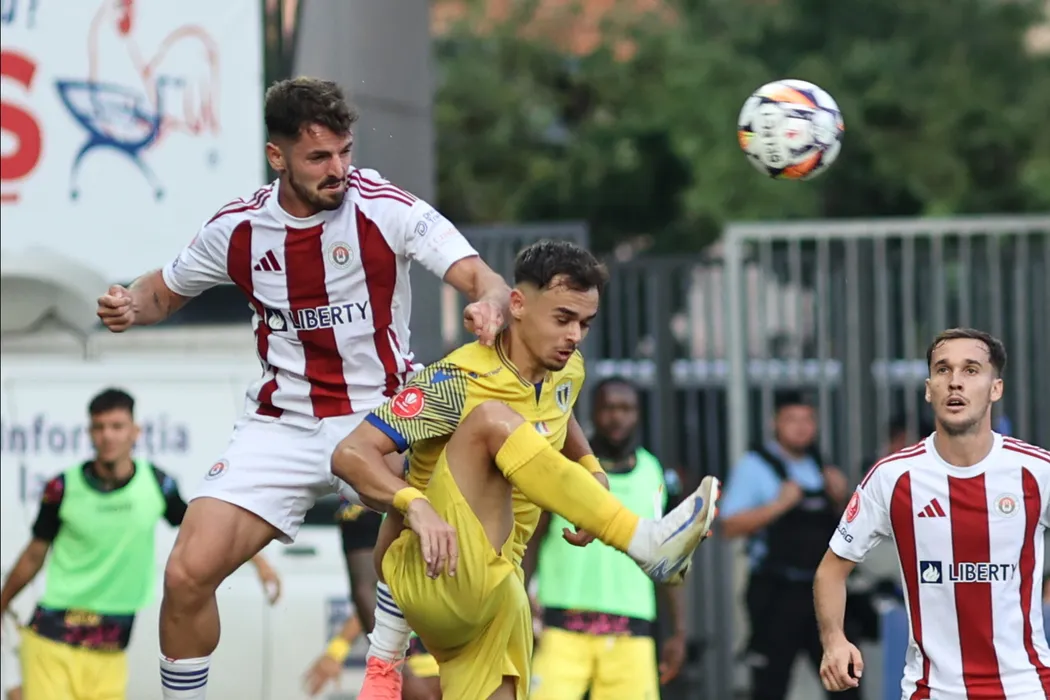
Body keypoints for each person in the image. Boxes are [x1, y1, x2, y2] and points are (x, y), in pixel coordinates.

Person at [94, 76, 509, 700]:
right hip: (281, 427)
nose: (338, 169)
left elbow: (483, 278)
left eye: (345, 152)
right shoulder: (239, 229)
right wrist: (130, 304)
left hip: (382, 419)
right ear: (277, 156)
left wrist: (490, 304)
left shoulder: (385, 208)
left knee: (454, 572)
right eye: (318, 157)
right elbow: (161, 291)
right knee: (185, 575)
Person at [331, 240, 721, 700]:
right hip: (438, 574)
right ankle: (642, 540)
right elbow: (349, 454)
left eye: (585, 323)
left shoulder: (567, 371)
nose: (575, 335)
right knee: (491, 421)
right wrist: (414, 504)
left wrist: (590, 468)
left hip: (501, 590)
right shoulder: (459, 379)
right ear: (516, 304)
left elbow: (557, 411)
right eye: (563, 318)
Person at [0, 389, 280, 700]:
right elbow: (34, 554)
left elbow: (205, 532)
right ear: (89, 432)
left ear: (135, 431)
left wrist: (260, 563)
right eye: (99, 427)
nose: (108, 436)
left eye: (117, 426)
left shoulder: (157, 485)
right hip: (53, 640)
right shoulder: (62, 487)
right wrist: (2, 602)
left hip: (111, 649)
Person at [816, 327, 1050, 698]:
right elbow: (831, 569)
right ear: (929, 389)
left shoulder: (1037, 471)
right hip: (931, 691)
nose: (955, 381)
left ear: (996, 389)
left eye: (971, 370)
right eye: (943, 370)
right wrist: (834, 640)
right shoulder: (893, 477)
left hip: (1026, 689)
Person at [523, 376, 688, 699]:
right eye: (608, 408)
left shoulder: (654, 473)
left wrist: (678, 630)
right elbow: (532, 540)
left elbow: (670, 555)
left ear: (638, 413)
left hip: (632, 631)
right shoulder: (565, 466)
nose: (617, 417)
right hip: (561, 627)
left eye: (626, 409)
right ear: (592, 412)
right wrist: (522, 604)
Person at [719, 390, 854, 700]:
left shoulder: (822, 467)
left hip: (824, 594)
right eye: (792, 419)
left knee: (845, 682)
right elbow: (729, 526)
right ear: (775, 423)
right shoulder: (754, 466)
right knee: (770, 686)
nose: (801, 427)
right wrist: (779, 505)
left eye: (808, 420)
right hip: (776, 594)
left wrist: (841, 500)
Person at [303, 501, 440, 699]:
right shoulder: (363, 505)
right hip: (421, 658)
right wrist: (396, 668)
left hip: (464, 652)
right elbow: (369, 592)